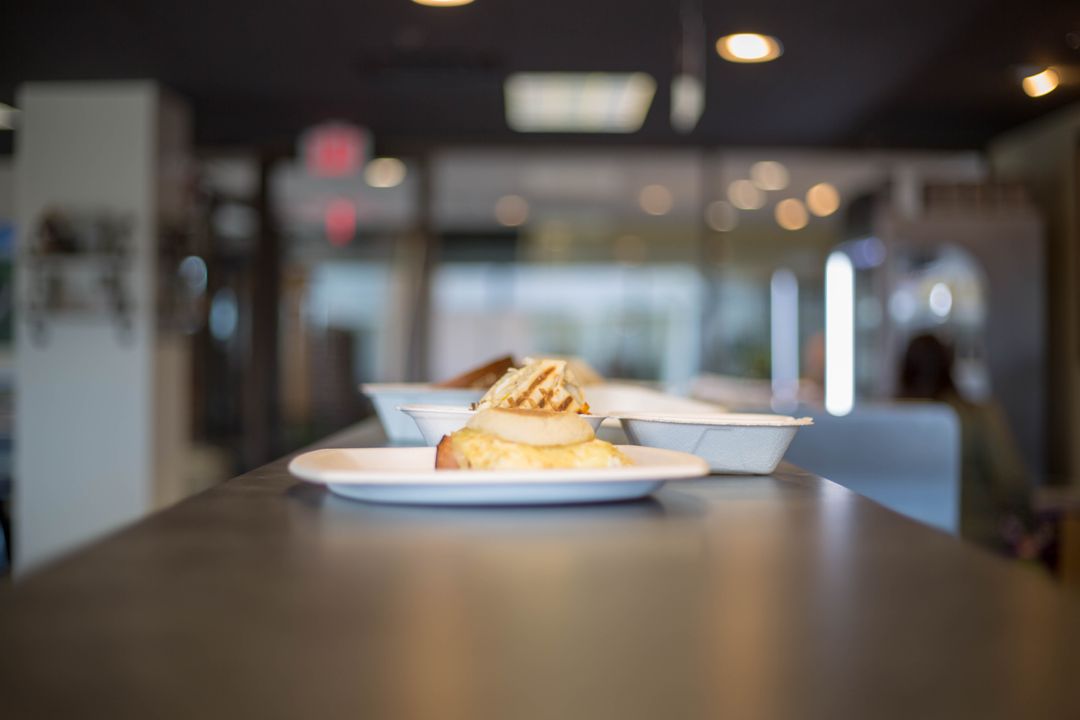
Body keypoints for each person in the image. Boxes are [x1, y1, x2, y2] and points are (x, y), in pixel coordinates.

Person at [897, 334, 1035, 554]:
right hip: (976, 548)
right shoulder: (978, 417)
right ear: (949, 366)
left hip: (904, 549)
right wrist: (1030, 527)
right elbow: (1013, 483)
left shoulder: (891, 421)